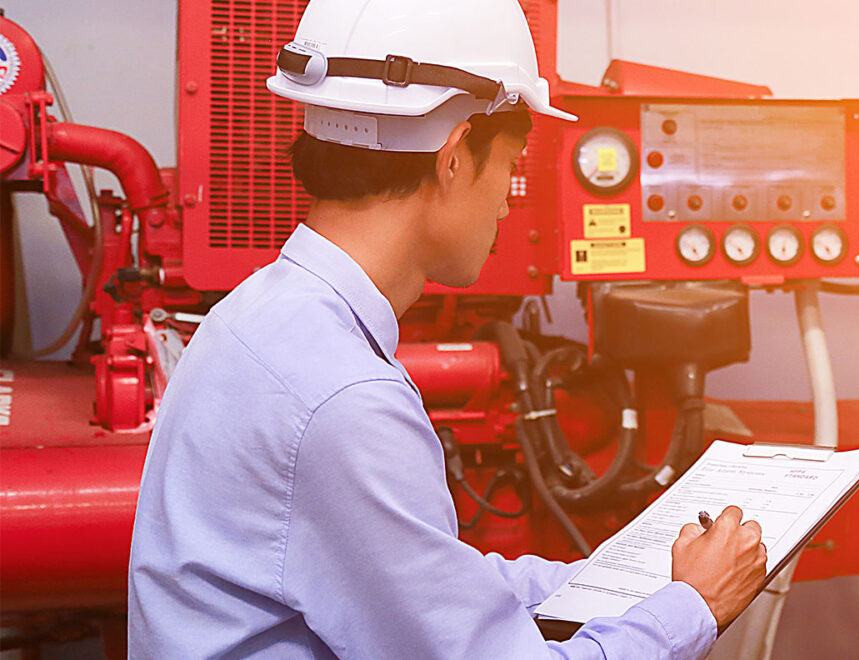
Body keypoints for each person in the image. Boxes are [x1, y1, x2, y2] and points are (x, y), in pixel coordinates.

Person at [126, 0, 766, 657]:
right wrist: (695, 606)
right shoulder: (342, 399)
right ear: (454, 157)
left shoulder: (256, 316)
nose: (508, 202)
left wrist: (617, 584)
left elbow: (424, 580)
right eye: (512, 168)